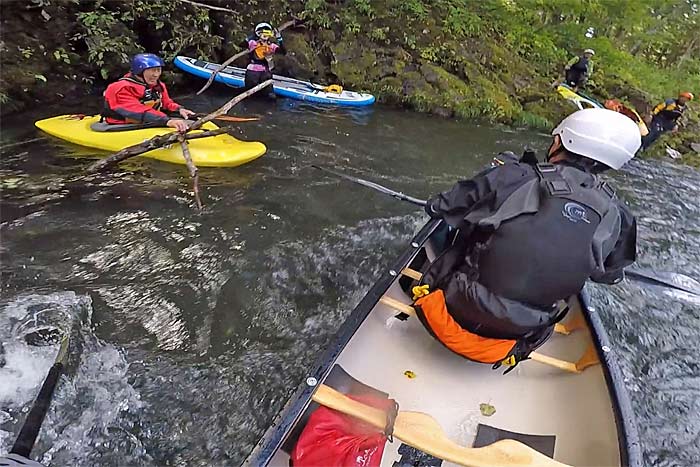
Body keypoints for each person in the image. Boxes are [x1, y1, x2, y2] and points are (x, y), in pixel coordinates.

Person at [414, 108, 641, 370]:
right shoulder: (620, 215)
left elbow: (441, 207)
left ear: (561, 141)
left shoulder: (513, 175)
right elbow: (608, 275)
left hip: (452, 310)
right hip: (517, 338)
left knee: (461, 225)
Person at [101, 53, 195, 132]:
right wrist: (167, 121)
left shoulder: (158, 85)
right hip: (123, 125)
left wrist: (179, 110)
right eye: (152, 70)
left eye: (158, 70)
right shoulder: (120, 88)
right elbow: (137, 111)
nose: (156, 75)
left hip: (152, 120)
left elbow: (166, 103)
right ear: (140, 71)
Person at [242, 22, 286, 96]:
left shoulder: (271, 46)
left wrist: (280, 39)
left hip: (266, 72)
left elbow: (283, 52)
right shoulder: (253, 43)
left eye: (267, 32)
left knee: (270, 95)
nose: (265, 35)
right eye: (263, 32)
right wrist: (253, 36)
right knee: (251, 94)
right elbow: (242, 44)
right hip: (253, 71)